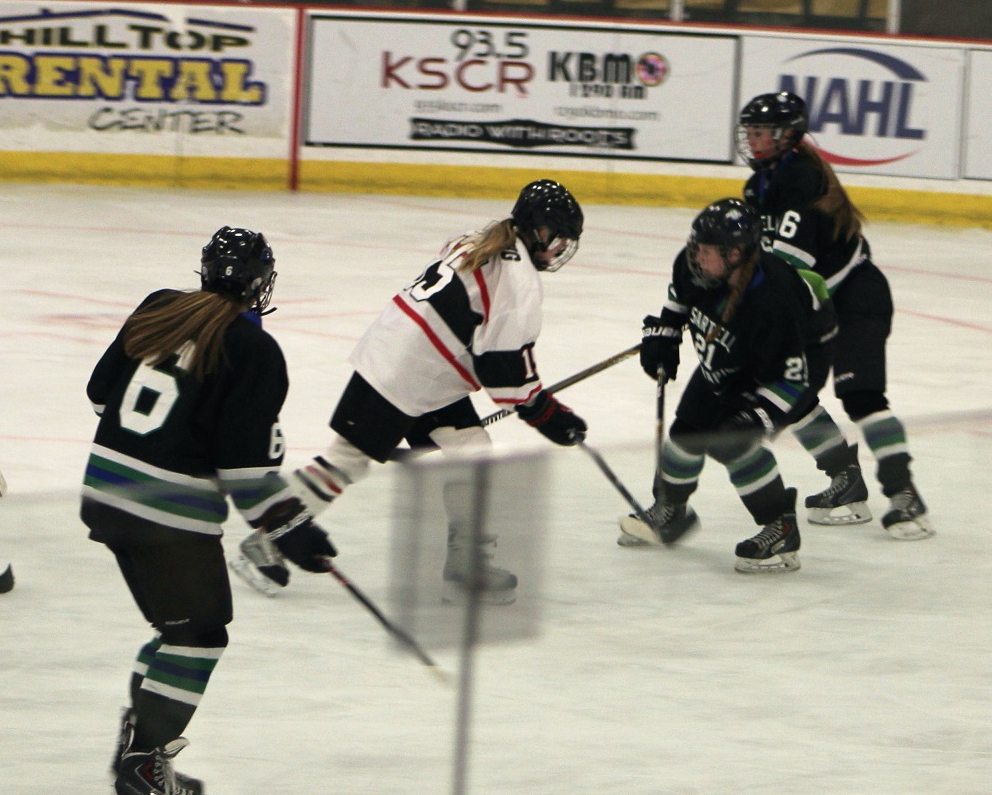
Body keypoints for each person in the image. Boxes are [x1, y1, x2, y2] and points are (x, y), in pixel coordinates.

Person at [81, 226, 337, 795]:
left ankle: (137, 753)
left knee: (177, 631)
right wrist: (292, 528)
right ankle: (142, 775)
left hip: (106, 491)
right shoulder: (254, 348)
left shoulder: (158, 306)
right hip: (165, 511)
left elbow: (99, 396)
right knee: (198, 637)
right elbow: (246, 472)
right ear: (261, 284)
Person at [232, 179, 588, 605]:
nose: (558, 250)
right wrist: (545, 413)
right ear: (539, 231)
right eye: (557, 239)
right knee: (346, 461)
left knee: (474, 456)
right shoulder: (518, 281)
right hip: (403, 373)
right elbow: (502, 369)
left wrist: (533, 402)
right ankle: (265, 541)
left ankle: (465, 566)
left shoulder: (482, 239)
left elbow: (477, 338)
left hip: (417, 365)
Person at [738, 91, 934, 540]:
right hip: (813, 301)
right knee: (789, 389)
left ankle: (904, 493)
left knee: (861, 396)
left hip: (854, 297)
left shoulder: (801, 178)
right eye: (750, 131)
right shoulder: (758, 185)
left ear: (787, 135)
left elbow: (790, 262)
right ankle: (845, 477)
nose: (752, 140)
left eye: (761, 132)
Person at [621, 198, 827, 573]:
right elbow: (677, 307)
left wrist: (756, 418)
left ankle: (780, 528)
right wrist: (663, 336)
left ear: (735, 255)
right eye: (697, 247)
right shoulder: (692, 267)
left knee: (734, 442)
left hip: (775, 373)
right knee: (686, 434)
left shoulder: (774, 299)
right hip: (723, 362)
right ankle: (672, 511)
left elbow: (794, 378)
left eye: (707, 251)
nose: (696, 256)